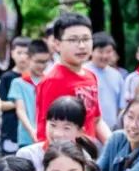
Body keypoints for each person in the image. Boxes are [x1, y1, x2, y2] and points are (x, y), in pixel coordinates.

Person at [34, 13, 110, 143]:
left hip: (88, 155)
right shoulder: (53, 81)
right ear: (57, 44)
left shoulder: (90, 76)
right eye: (73, 40)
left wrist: (115, 149)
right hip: (64, 156)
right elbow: (46, 131)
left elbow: (96, 120)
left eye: (86, 39)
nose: (81, 46)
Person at [9, 39, 49, 149]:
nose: (42, 66)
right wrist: (32, 131)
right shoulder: (18, 82)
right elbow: (20, 110)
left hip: (48, 136)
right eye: (38, 62)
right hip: (26, 137)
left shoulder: (49, 81)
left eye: (45, 62)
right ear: (28, 59)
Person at [0, 36, 31, 155]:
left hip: (30, 131)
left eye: (26, 53)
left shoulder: (36, 78)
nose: (23, 56)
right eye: (19, 52)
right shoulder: (7, 77)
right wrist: (20, 102)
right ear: (12, 54)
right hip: (11, 130)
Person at [86, 32, 126, 130]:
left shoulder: (117, 75)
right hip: (87, 130)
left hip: (111, 130)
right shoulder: (83, 72)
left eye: (108, 52)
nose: (104, 56)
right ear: (91, 51)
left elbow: (121, 107)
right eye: (100, 51)